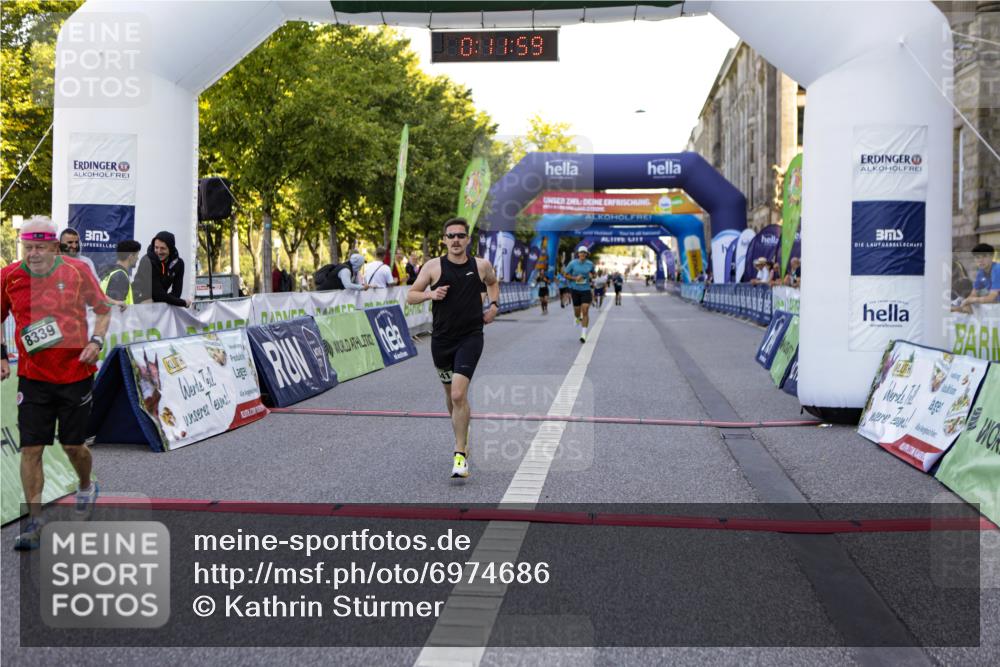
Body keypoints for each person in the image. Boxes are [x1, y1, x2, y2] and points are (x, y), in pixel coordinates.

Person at [1, 216, 111, 550]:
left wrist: (95, 341)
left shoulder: (76, 271)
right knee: (31, 449)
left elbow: (103, 310)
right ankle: (35, 522)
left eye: (39, 247)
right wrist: (2, 355)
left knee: (72, 446)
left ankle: (85, 484)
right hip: (33, 378)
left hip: (75, 373)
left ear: (53, 246)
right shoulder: (9, 276)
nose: (32, 254)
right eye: (26, 247)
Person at [407, 217, 499, 479]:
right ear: (444, 240)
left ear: (468, 239)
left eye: (460, 235)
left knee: (459, 395)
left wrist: (494, 307)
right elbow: (411, 295)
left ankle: (460, 454)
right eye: (451, 236)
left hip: (470, 336)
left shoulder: (481, 266)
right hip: (442, 340)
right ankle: (463, 429)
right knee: (451, 396)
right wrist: (429, 294)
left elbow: (493, 283)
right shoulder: (433, 267)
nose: (456, 240)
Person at [132, 231, 190, 307]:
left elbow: (176, 293)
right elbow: (158, 294)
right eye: (156, 247)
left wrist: (166, 302)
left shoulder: (179, 263)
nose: (159, 252)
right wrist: (183, 303)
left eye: (163, 248)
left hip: (157, 305)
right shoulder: (147, 261)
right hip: (139, 303)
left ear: (171, 248)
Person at [563, 246, 596, 343]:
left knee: (585, 310)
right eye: (581, 252)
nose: (582, 254)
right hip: (575, 290)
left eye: (584, 253)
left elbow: (593, 273)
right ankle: (577, 317)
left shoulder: (590, 264)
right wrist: (574, 278)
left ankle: (583, 334)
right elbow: (565, 274)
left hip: (586, 290)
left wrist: (592, 275)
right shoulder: (572, 263)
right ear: (578, 254)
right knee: (577, 311)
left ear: (586, 254)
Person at [100, 239, 142, 306]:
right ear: (130, 257)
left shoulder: (111, 272)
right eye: (137, 255)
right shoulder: (120, 276)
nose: (137, 258)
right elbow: (116, 310)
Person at [959, 243, 1000, 310]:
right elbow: (974, 293)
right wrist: (967, 302)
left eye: (984, 256)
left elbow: (992, 298)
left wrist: (971, 300)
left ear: (992, 256)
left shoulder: (998, 269)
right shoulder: (981, 272)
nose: (980, 260)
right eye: (977, 257)